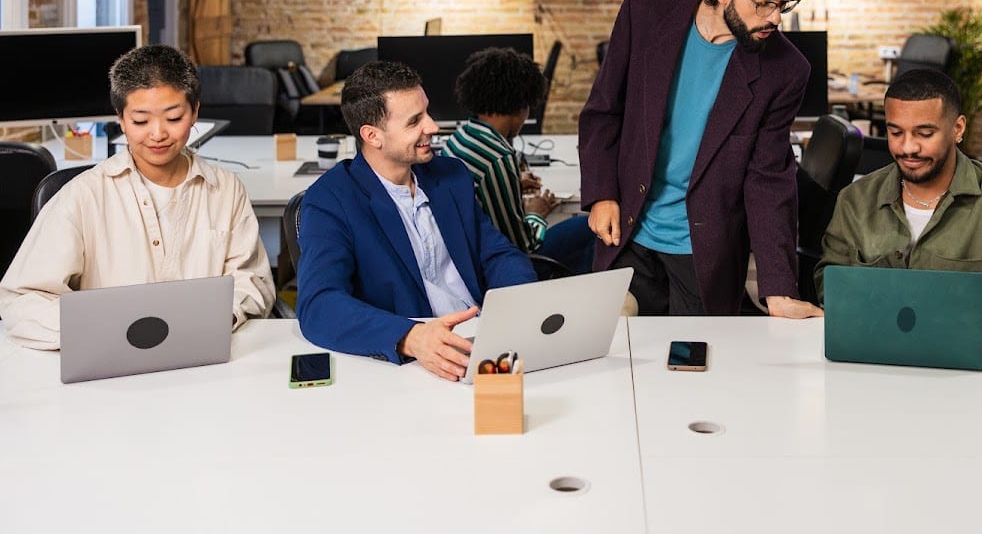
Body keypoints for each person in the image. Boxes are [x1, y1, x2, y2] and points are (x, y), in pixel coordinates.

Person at [579, 0, 821, 318]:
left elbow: (770, 180)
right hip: (628, 233)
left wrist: (779, 290)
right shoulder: (643, 14)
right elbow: (604, 111)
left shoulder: (786, 69)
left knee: (694, 370)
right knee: (617, 359)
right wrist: (602, 194)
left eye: (783, 3)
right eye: (762, 3)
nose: (775, 17)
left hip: (705, 252)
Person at [0, 45, 276, 349]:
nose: (157, 134)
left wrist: (218, 317)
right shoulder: (82, 196)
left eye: (173, 118)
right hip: (110, 365)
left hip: (203, 356)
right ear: (120, 118)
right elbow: (21, 299)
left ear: (195, 111)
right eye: (141, 121)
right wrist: (103, 331)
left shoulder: (225, 189)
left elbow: (253, 281)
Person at [296, 60, 536, 381]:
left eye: (427, 112)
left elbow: (497, 254)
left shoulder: (450, 176)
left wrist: (516, 308)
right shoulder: (330, 201)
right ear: (372, 136)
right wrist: (411, 336)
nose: (433, 127)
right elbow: (319, 305)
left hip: (483, 342)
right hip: (410, 362)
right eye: (414, 121)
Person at [815, 68, 982, 330]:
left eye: (925, 133)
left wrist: (961, 304)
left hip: (965, 373)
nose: (908, 147)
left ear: (958, 129)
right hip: (873, 363)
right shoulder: (856, 200)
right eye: (895, 132)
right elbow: (828, 281)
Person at [443, 47, 594, 276]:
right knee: (590, 227)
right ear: (521, 105)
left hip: (465, 254)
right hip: (500, 267)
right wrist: (536, 212)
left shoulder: (461, 136)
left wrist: (511, 183)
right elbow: (522, 246)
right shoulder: (499, 156)